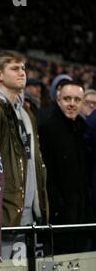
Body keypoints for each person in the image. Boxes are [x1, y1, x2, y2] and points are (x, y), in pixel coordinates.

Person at [0, 51, 49, 258]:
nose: (22, 73)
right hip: (3, 207)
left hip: (26, 207)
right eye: (15, 69)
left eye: (23, 68)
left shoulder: (25, 111)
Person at [39, 80, 93, 253]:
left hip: (80, 216)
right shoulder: (47, 127)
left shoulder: (82, 130)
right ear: (58, 99)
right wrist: (58, 208)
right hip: (57, 218)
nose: (72, 104)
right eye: (67, 99)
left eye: (77, 100)